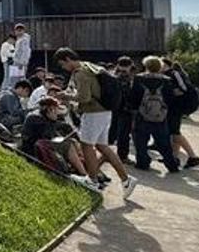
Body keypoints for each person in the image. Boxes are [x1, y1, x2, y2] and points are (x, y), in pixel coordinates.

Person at [55, 47, 138, 199]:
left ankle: (92, 180)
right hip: (105, 111)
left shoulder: (80, 73)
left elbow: (84, 97)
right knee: (102, 146)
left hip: (93, 113)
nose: (63, 68)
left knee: (87, 145)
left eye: (62, 64)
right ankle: (126, 179)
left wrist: (66, 97)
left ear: (67, 59)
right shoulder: (90, 66)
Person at [20, 97, 95, 188]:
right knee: (68, 145)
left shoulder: (41, 116)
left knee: (72, 141)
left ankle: (86, 171)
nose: (57, 112)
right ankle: (84, 175)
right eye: (56, 110)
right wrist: (53, 120)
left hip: (40, 145)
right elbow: (48, 135)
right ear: (50, 109)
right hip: (33, 151)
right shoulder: (36, 118)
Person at [129, 56, 182, 173]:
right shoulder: (167, 80)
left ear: (146, 66)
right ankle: (171, 165)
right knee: (164, 143)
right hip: (160, 116)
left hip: (142, 114)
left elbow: (133, 97)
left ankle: (142, 163)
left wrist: (134, 110)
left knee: (141, 142)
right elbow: (170, 98)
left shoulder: (138, 78)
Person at [163, 59, 199, 168]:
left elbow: (184, 89)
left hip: (177, 107)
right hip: (176, 107)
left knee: (175, 133)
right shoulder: (170, 74)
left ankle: (193, 157)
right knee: (175, 132)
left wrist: (172, 92)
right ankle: (174, 157)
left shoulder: (173, 74)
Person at [110, 56, 136, 162]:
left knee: (119, 133)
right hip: (123, 108)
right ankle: (120, 156)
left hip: (119, 108)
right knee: (121, 133)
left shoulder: (113, 75)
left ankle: (115, 155)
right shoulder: (131, 76)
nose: (123, 70)